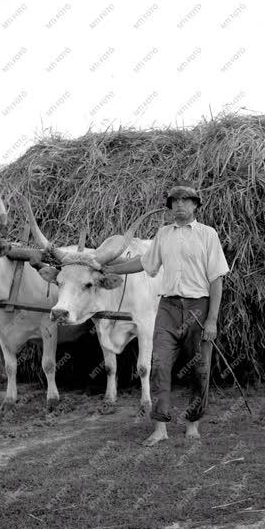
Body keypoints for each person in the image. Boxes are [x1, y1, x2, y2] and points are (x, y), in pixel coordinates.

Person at [105, 180, 230, 445]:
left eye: (185, 201)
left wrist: (212, 320)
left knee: (200, 369)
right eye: (174, 201)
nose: (179, 206)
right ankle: (160, 427)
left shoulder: (208, 235)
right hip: (168, 307)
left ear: (195, 205)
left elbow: (217, 279)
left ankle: (193, 423)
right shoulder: (163, 234)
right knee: (159, 364)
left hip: (198, 307)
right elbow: (144, 263)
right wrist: (112, 269)